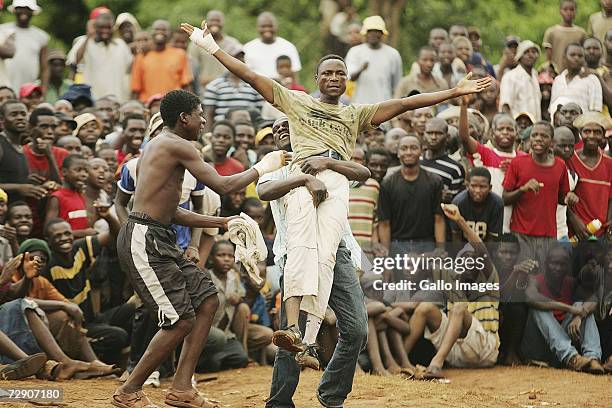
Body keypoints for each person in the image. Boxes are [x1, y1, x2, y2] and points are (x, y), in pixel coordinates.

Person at [183, 16, 489, 367]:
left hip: (336, 182)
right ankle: (294, 328)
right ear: (315, 79)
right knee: (301, 248)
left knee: (326, 255)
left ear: (347, 81)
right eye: (327, 73)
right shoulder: (296, 102)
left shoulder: (355, 114)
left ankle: (307, 341)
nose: (333, 78)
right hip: (302, 175)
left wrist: (454, 92)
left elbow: (405, 104)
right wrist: (211, 46)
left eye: (340, 74)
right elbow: (251, 76)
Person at [111, 89, 288, 408]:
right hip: (144, 238)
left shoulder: (163, 145)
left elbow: (170, 210)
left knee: (207, 299)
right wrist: (265, 165)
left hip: (155, 235)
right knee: (179, 320)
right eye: (200, 114)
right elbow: (224, 185)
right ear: (184, 118)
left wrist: (221, 223)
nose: (204, 120)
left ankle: (181, 388)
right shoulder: (177, 145)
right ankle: (128, 391)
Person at [256, 116, 368, 407]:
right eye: (276, 128)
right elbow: (263, 191)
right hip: (297, 254)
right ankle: (279, 403)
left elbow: (361, 172)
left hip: (337, 253)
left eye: (287, 125)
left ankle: (331, 393)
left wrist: (325, 164)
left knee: (356, 329)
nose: (280, 131)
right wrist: (304, 178)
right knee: (291, 335)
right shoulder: (276, 162)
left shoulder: (326, 156)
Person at [400, 203, 500, 379]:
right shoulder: (452, 281)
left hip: (484, 350)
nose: (468, 264)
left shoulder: (490, 281)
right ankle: (400, 363)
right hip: (455, 352)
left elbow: (481, 250)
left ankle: (435, 365)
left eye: (473, 260)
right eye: (464, 261)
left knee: (458, 308)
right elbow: (417, 266)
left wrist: (459, 220)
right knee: (424, 308)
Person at [522, 245, 605, 373]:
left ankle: (592, 358)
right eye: (554, 264)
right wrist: (570, 309)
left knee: (582, 306)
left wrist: (580, 315)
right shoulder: (535, 280)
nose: (558, 268)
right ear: (546, 263)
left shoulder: (570, 282)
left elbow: (594, 298)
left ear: (568, 266)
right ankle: (572, 358)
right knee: (538, 308)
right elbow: (530, 297)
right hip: (538, 347)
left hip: (559, 348)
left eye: (562, 264)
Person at [502, 121, 574, 265]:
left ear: (552, 142)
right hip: (521, 235)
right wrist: (523, 189)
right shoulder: (517, 163)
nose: (538, 139)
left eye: (544, 136)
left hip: (548, 236)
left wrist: (569, 198)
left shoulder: (560, 166)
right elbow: (504, 198)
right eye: (534, 135)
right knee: (522, 280)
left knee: (543, 281)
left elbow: (561, 198)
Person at [459, 97, 527, 233]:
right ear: (492, 133)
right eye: (500, 129)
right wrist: (464, 106)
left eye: (510, 129)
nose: (505, 132)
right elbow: (465, 138)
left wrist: (516, 169)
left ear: (517, 132)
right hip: (489, 220)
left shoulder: (523, 158)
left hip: (517, 223)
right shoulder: (485, 154)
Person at [567, 112, 612, 241]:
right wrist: (573, 219)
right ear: (581, 134)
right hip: (576, 232)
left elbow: (610, 198)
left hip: (601, 234)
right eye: (587, 131)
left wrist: (609, 222)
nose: (591, 136)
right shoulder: (570, 160)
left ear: (603, 136)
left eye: (597, 132)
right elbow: (562, 196)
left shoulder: (609, 164)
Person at [72, 12, 132, 102]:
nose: (105, 31)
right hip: (94, 99)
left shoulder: (121, 44)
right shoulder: (85, 42)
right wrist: (88, 36)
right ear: (95, 27)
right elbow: (76, 60)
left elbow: (130, 68)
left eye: (108, 28)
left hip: (118, 99)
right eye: (101, 27)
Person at [203, 44, 264, 128]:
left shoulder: (254, 84)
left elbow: (260, 113)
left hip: (248, 132)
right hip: (223, 132)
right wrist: (207, 135)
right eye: (235, 57)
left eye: (241, 57)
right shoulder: (214, 86)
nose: (239, 61)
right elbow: (208, 114)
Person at [131, 20, 193, 102]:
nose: (160, 32)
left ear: (170, 34)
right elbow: (136, 88)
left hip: (173, 105)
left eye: (164, 30)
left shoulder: (180, 54)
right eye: (156, 29)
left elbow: (186, 84)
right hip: (149, 105)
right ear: (151, 32)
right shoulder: (141, 56)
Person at [345, 15, 403, 104]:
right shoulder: (355, 52)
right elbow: (350, 77)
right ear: (365, 33)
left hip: (384, 105)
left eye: (377, 31)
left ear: (382, 33)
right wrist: (361, 69)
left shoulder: (393, 54)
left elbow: (397, 85)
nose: (373, 34)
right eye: (370, 31)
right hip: (360, 105)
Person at [0, 100, 48, 203]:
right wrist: (19, 187)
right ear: (2, 120)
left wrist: (26, 181)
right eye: (14, 114)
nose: (20, 118)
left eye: (23, 114)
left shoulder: (21, 146)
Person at [1, 0, 49, 92]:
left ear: (33, 12)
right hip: (4, 86)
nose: (24, 11)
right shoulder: (3, 30)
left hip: (29, 90)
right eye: (20, 8)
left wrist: (43, 90)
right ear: (15, 10)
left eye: (27, 8)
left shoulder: (41, 36)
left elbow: (45, 68)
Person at [188, 10, 241, 90]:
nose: (214, 23)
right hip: (204, 90)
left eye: (218, 21)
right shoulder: (196, 43)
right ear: (206, 22)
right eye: (212, 20)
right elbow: (191, 69)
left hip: (227, 90)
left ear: (223, 23)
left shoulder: (233, 43)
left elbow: (239, 67)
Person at [550, 44, 603, 123]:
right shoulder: (558, 80)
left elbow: (596, 111)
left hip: (581, 130)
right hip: (559, 130)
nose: (576, 58)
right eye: (572, 55)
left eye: (580, 56)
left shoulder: (591, 79)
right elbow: (553, 107)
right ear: (564, 58)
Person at [451, 166, 503, 243]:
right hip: (464, 247)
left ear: (490, 187)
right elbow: (456, 237)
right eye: (473, 186)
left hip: (486, 248)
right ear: (467, 186)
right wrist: (461, 254)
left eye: (482, 186)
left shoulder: (497, 203)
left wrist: (484, 254)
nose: (477, 190)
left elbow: (493, 238)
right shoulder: (458, 203)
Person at [420, 117, 466, 203]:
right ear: (424, 135)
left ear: (447, 137)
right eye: (429, 133)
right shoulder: (416, 162)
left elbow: (456, 203)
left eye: (438, 133)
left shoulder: (455, 169)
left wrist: (448, 200)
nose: (433, 137)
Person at [244, 12, 301, 79]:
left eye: (270, 26)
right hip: (254, 88)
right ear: (257, 27)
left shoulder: (288, 47)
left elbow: (294, 75)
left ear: (276, 26)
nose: (267, 29)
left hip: (282, 88)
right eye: (263, 26)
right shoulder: (247, 48)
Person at [499, 40, 542, 121]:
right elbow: (505, 106)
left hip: (535, 128)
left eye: (534, 52)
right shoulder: (510, 77)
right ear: (519, 56)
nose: (531, 55)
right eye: (526, 52)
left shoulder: (535, 76)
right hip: (518, 127)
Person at [348, 147, 380, 250]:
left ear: (364, 162)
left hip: (366, 246)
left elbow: (375, 219)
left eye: (357, 159)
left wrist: (375, 243)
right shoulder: (338, 184)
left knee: (366, 267)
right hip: (343, 245)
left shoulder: (373, 186)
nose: (353, 162)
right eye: (350, 158)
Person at [543, 0, 587, 73]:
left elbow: (584, 55)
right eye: (565, 9)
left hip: (576, 73)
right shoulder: (551, 32)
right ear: (560, 11)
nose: (568, 12)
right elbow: (548, 58)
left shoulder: (581, 33)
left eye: (572, 9)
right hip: (556, 73)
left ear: (576, 12)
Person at [552, 126, 579, 241]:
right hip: (540, 234)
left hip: (562, 232)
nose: (567, 149)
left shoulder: (573, 176)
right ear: (551, 144)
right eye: (562, 146)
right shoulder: (539, 167)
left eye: (571, 146)